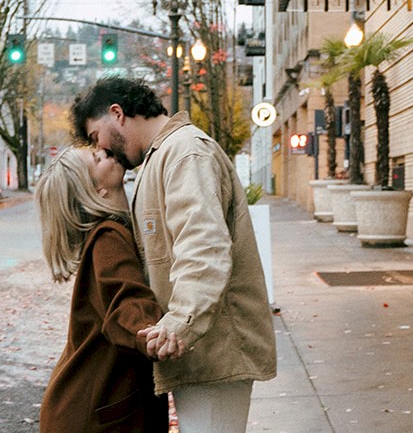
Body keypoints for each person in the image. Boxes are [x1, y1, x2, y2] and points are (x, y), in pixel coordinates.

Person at [71, 77, 276, 432]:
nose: (101, 148)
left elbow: (203, 244)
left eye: (94, 136)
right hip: (200, 350)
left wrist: (181, 323)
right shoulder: (161, 158)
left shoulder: (185, 152)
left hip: (216, 352)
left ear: (117, 114)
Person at [36, 146, 168, 433]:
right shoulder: (108, 237)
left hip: (87, 408)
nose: (105, 152)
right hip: (92, 417)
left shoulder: (115, 229)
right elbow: (124, 300)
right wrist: (152, 333)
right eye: (96, 159)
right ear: (96, 189)